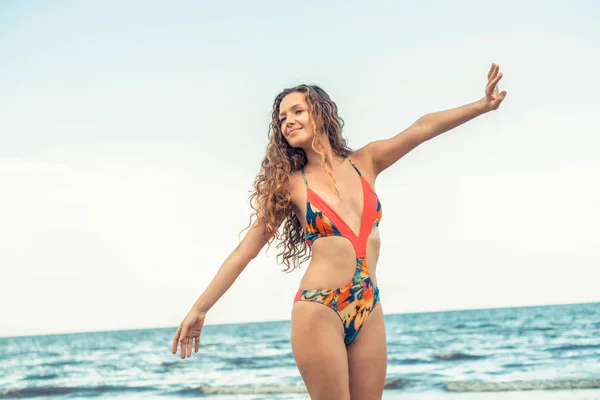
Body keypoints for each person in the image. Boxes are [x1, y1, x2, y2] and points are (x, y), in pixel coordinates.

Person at [171, 63, 507, 399]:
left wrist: (482, 105)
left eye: (297, 111)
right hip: (319, 308)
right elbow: (245, 251)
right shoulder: (290, 186)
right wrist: (200, 309)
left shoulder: (367, 161)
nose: (288, 121)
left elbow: (421, 128)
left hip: (368, 307)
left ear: (320, 112)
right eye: (282, 118)